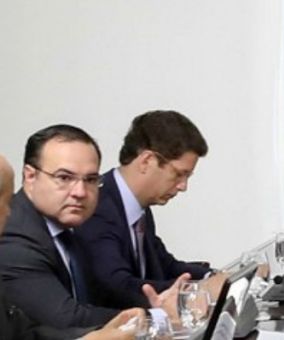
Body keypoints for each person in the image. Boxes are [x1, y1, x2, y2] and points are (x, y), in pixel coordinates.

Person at [0, 125, 186, 329]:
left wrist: (160, 305)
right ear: (30, 177)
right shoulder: (14, 236)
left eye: (90, 180)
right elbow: (67, 319)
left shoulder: (74, 224)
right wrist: (154, 317)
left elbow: (106, 292)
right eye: (64, 178)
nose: (80, 192)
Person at [0, 153, 140, 340]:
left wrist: (103, 335)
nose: (10, 213)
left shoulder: (75, 232)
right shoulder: (19, 241)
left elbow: (25, 337)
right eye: (6, 201)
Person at [77, 110, 217, 309]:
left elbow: (165, 265)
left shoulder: (139, 207)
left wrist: (212, 276)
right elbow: (117, 286)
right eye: (178, 174)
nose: (183, 186)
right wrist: (200, 291)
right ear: (146, 161)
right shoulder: (98, 207)